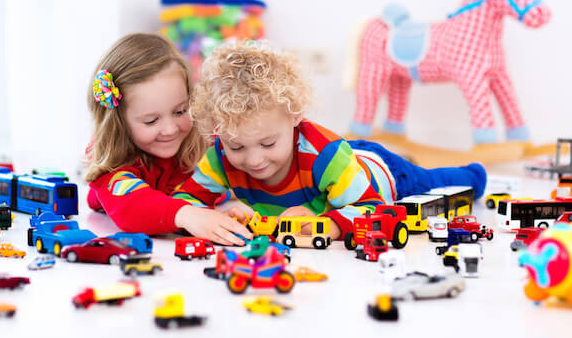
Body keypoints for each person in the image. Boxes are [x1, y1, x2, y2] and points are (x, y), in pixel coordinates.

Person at [172, 41, 487, 243]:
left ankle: (476, 173)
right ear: (218, 131)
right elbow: (184, 203)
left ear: (295, 116)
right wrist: (212, 216)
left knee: (437, 183)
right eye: (237, 147)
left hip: (382, 174)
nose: (254, 160)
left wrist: (326, 225)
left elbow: (370, 207)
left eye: (268, 144)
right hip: (344, 166)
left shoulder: (323, 155)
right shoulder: (220, 157)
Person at [85, 33, 251, 241]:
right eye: (151, 121)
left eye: (180, 111)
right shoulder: (110, 160)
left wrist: (212, 216)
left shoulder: (200, 135)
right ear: (119, 122)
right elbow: (132, 206)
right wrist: (189, 216)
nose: (171, 129)